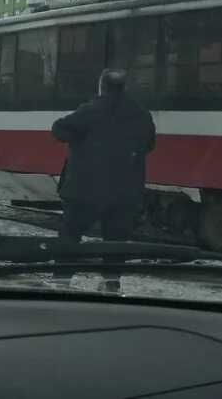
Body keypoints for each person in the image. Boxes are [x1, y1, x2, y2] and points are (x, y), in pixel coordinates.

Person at [52, 68, 156, 292]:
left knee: (70, 235)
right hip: (123, 190)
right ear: (124, 88)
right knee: (115, 240)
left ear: (102, 88)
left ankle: (61, 280)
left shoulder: (90, 110)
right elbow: (148, 145)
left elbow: (58, 130)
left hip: (84, 189)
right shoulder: (141, 115)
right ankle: (111, 281)